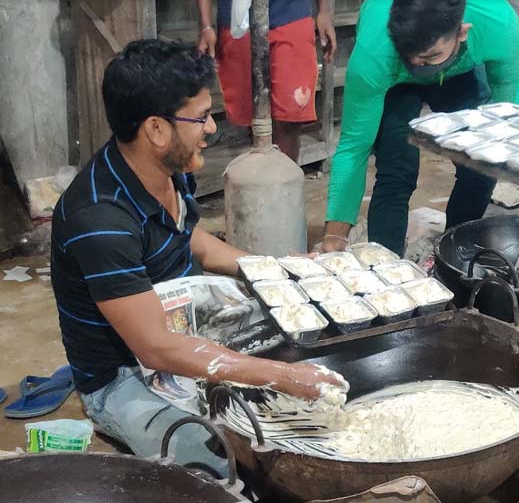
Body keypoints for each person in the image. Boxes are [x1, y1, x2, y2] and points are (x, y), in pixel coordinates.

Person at [51, 39, 340, 475]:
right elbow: (155, 348)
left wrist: (276, 271)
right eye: (201, 117)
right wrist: (281, 377)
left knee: (312, 331)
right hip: (125, 375)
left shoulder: (169, 169)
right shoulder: (100, 219)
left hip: (186, 326)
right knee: (217, 458)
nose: (211, 127)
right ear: (156, 129)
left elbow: (191, 240)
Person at [320, 0, 519, 255]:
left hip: (459, 72)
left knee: (482, 163)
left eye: (430, 56)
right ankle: (386, 266)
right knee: (396, 172)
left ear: (462, 32)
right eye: (414, 59)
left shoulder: (497, 24)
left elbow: (507, 100)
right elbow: (354, 146)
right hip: (395, 76)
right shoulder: (374, 52)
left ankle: (456, 251)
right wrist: (334, 236)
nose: (420, 65)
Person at [195, 0, 336, 162]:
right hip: (238, 16)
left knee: (290, 116)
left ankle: (284, 183)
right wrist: (205, 24)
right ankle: (262, 179)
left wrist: (324, 11)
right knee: (254, 118)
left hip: (292, 10)